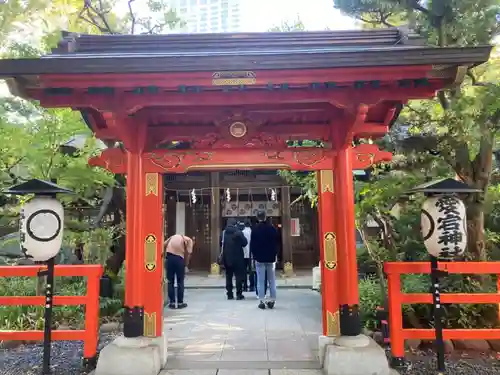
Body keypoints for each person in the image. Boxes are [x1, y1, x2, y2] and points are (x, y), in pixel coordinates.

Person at [250, 210, 279, 309]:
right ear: (265, 217)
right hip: (270, 258)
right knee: (272, 280)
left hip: (259, 258)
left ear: (258, 218)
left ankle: (261, 300)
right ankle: (272, 299)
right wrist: (275, 254)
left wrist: (254, 256)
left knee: (260, 280)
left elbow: (252, 245)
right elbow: (277, 242)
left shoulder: (255, 229)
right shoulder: (272, 229)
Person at [164, 234, 193, 309]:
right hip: (179, 260)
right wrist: (186, 264)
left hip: (169, 259)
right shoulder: (189, 240)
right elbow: (189, 253)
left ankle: (172, 302)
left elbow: (163, 245)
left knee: (170, 281)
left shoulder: (172, 237)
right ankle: (180, 302)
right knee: (180, 281)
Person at [221, 218, 248, 300]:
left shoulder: (224, 233)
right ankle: (239, 294)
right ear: (235, 224)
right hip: (238, 257)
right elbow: (245, 243)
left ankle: (229, 294)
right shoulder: (238, 232)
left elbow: (221, 244)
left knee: (228, 276)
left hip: (227, 257)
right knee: (238, 276)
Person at [241, 219, 254, 292]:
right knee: (251, 271)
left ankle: (245, 286)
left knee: (244, 271)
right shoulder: (252, 232)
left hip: (243, 254)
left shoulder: (242, 232)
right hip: (251, 254)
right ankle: (252, 286)